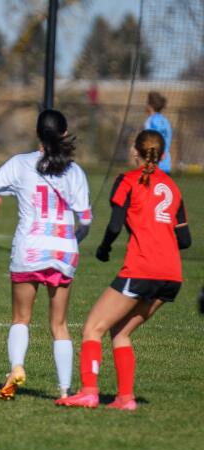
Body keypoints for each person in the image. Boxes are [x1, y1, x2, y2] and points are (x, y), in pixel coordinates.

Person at [0, 110, 92, 400]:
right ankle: (65, 391)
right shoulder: (74, 171)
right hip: (63, 252)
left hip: (29, 250)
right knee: (59, 325)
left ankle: (17, 367)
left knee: (21, 318)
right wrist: (73, 241)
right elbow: (85, 220)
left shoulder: (20, 163)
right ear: (64, 133)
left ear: (37, 133)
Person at [56, 130, 191, 410]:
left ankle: (89, 391)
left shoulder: (127, 180)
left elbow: (115, 224)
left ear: (134, 151)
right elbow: (185, 240)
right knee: (120, 332)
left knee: (93, 328)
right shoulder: (173, 187)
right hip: (171, 276)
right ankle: (126, 399)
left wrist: (104, 248)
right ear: (163, 155)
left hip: (142, 269)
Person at [144, 91, 172, 173]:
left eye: (146, 103)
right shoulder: (166, 121)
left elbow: (148, 140)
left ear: (150, 106)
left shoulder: (150, 121)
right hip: (166, 164)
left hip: (154, 165)